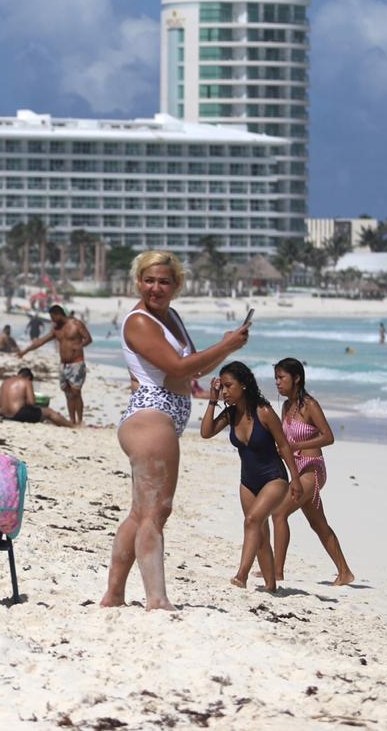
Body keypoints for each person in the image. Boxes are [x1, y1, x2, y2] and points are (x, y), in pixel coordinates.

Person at [100, 251, 250, 610]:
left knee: (142, 512)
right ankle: (156, 599)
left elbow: (192, 371)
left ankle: (114, 595)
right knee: (157, 510)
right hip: (151, 416)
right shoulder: (139, 322)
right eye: (149, 280)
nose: (156, 288)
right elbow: (176, 367)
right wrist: (226, 346)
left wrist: (227, 348)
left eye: (164, 281)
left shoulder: (171, 317)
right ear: (138, 282)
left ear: (176, 285)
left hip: (165, 416)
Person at [200, 361, 302, 592]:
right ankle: (270, 585)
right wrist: (212, 400)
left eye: (228, 386)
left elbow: (284, 446)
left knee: (252, 521)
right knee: (259, 532)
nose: (225, 391)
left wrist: (295, 479)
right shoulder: (230, 414)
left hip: (274, 478)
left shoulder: (264, 412)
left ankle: (241, 575)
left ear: (243, 385)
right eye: (222, 387)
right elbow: (206, 433)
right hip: (247, 481)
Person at [270, 358, 355, 586]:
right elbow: (282, 438)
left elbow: (328, 436)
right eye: (276, 378)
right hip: (298, 470)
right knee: (318, 524)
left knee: (279, 513)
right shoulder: (286, 406)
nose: (277, 382)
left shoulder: (309, 405)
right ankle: (345, 572)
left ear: (296, 378)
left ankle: (277, 572)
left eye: (281, 377)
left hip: (313, 468)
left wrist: (295, 447)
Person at [19, 304, 94, 426]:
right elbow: (41, 341)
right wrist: (25, 351)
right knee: (68, 392)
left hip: (76, 362)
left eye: (53, 317)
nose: (52, 320)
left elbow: (88, 339)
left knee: (76, 392)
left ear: (59, 314)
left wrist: (78, 346)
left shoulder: (76, 324)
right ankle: (72, 420)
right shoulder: (56, 329)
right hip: (63, 364)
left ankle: (79, 420)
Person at [0, 367, 72, 427]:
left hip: (4, 415)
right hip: (17, 415)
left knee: (41, 415)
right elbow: (31, 402)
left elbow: (0, 402)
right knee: (48, 411)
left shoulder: (5, 382)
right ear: (28, 377)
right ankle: (72, 425)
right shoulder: (26, 382)